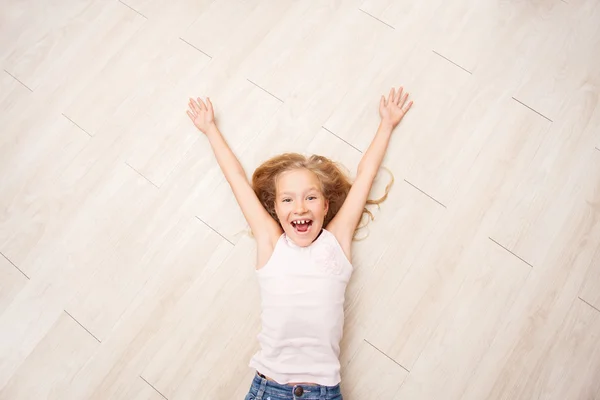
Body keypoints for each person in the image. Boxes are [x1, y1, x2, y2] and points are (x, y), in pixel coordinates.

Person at [186, 86, 412, 400]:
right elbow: (237, 179)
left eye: (310, 198)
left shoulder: (336, 242)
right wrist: (210, 129)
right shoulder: (271, 243)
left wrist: (386, 125)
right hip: (269, 389)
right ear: (276, 210)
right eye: (288, 200)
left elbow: (365, 177)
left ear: (326, 206)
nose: (300, 208)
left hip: (323, 392)